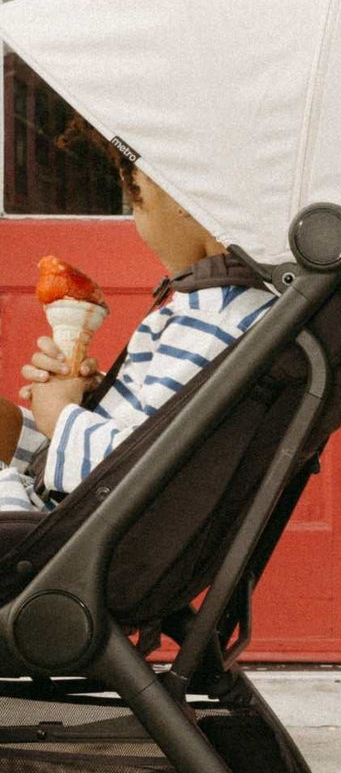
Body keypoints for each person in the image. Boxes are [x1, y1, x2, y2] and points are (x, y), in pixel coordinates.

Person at [0, 138, 272, 515]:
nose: (136, 218)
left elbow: (153, 474)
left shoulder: (213, 318)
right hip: (64, 508)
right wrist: (97, 399)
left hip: (54, 528)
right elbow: (152, 431)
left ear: (184, 200)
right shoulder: (231, 310)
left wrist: (60, 416)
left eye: (138, 198)